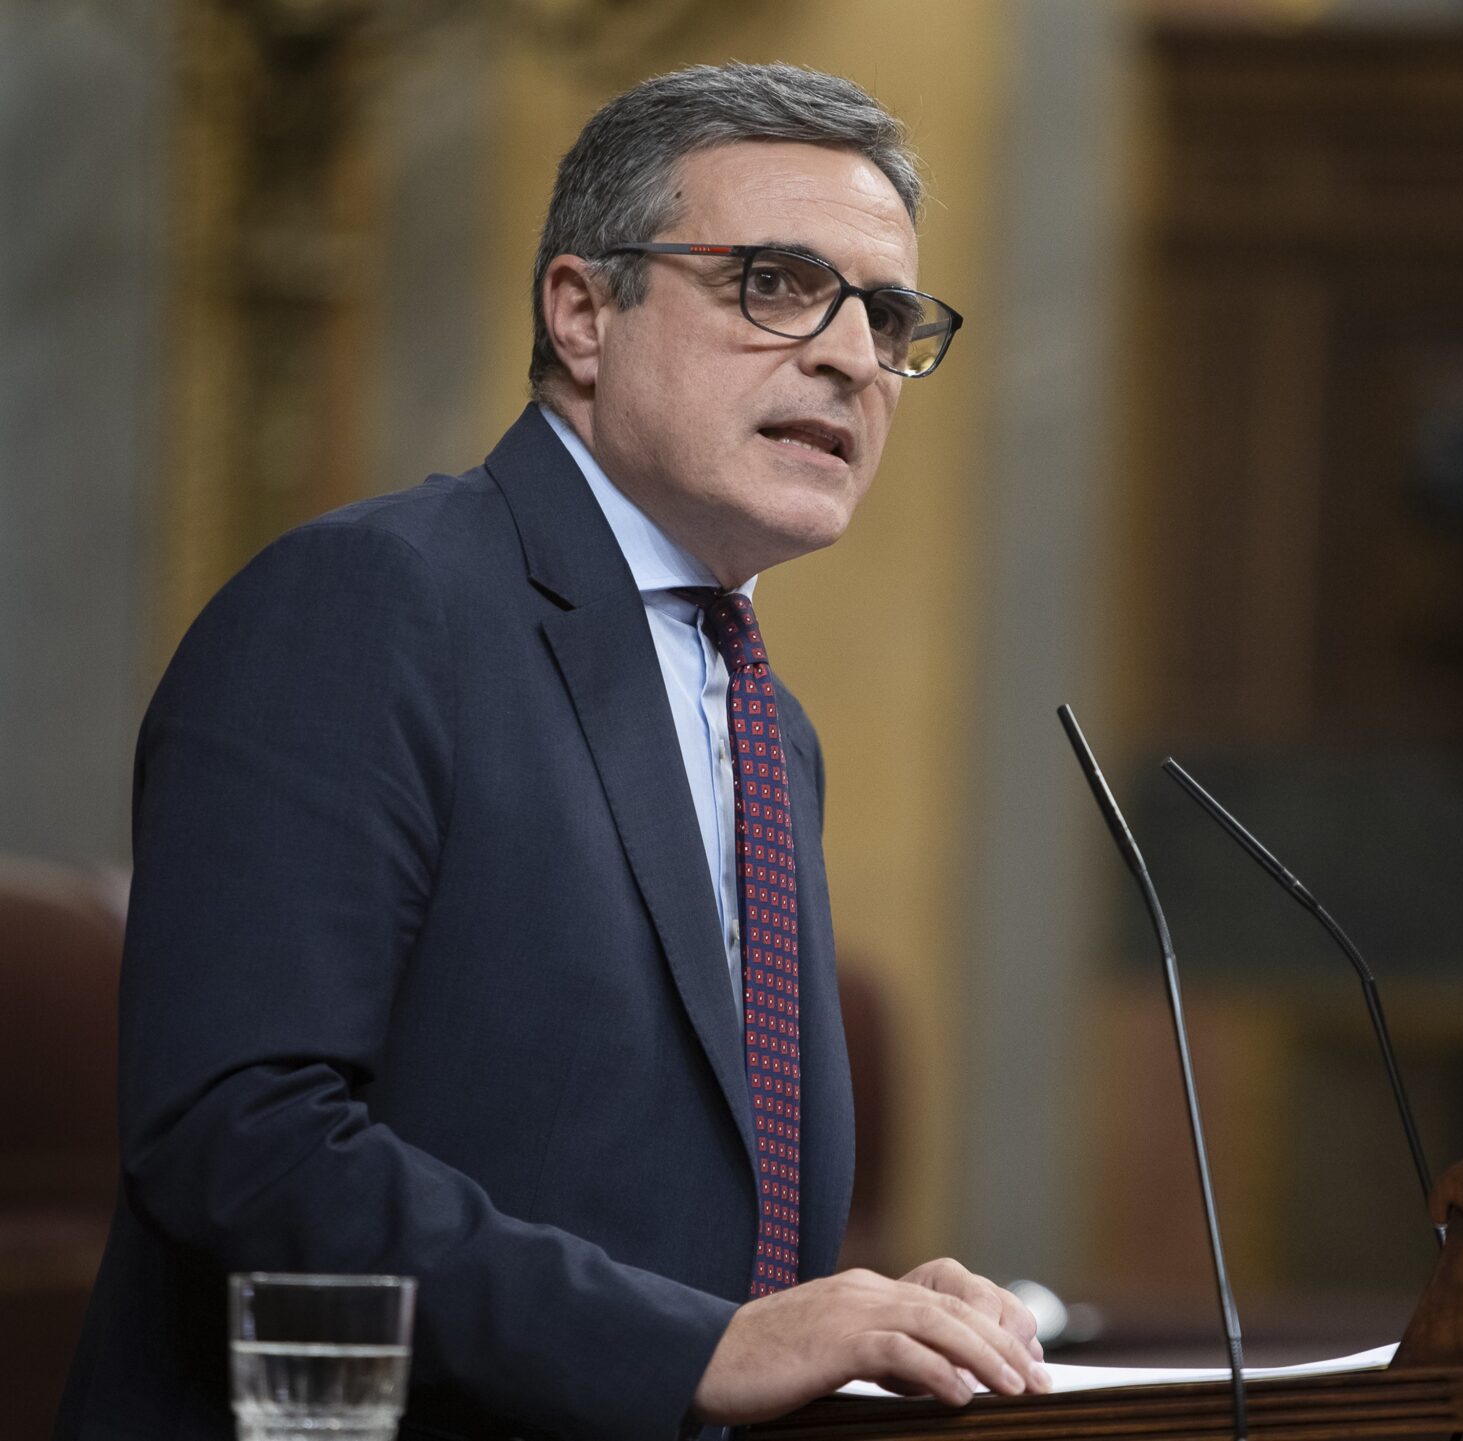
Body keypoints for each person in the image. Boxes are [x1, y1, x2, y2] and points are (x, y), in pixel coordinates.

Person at [57, 62, 1048, 1441]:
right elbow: (242, 1139)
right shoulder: (370, 603)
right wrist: (693, 1345)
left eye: (885, 317)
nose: (847, 356)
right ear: (584, 312)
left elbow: (669, 1204)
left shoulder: (771, 723)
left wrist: (849, 1316)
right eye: (775, 284)